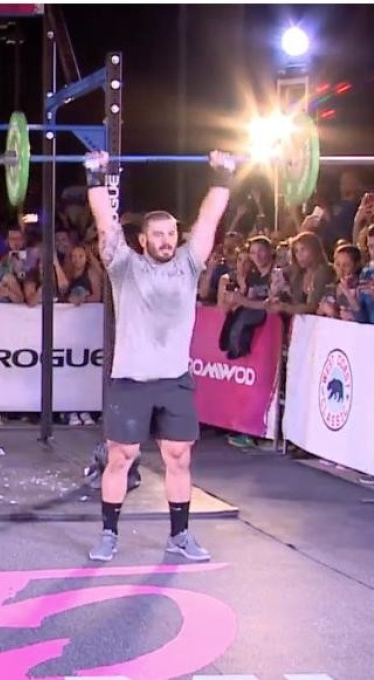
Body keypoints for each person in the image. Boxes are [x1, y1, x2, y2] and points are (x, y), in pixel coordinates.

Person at [84, 149, 233, 562]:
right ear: (143, 240)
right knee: (121, 456)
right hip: (131, 380)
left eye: (171, 233)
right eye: (159, 235)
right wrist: (96, 176)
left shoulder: (189, 264)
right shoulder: (123, 266)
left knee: (179, 456)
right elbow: (104, 224)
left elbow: (209, 220)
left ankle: (179, 535)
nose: (167, 240)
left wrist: (222, 174)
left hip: (174, 380)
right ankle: (109, 533)